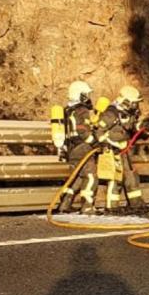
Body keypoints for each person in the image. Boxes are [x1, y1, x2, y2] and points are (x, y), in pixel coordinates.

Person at [96, 85, 146, 210]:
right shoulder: (111, 114)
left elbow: (131, 128)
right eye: (134, 103)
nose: (136, 106)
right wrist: (112, 144)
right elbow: (99, 133)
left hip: (124, 150)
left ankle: (136, 204)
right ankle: (112, 207)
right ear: (126, 102)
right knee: (115, 179)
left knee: (131, 177)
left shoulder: (128, 113)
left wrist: (145, 125)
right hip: (112, 151)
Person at [58, 80, 99, 214]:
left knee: (77, 178)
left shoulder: (67, 110)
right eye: (86, 95)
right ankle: (87, 206)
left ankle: (64, 204)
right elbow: (82, 130)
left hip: (71, 149)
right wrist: (94, 142)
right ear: (80, 95)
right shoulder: (82, 110)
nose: (88, 98)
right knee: (90, 177)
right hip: (82, 148)